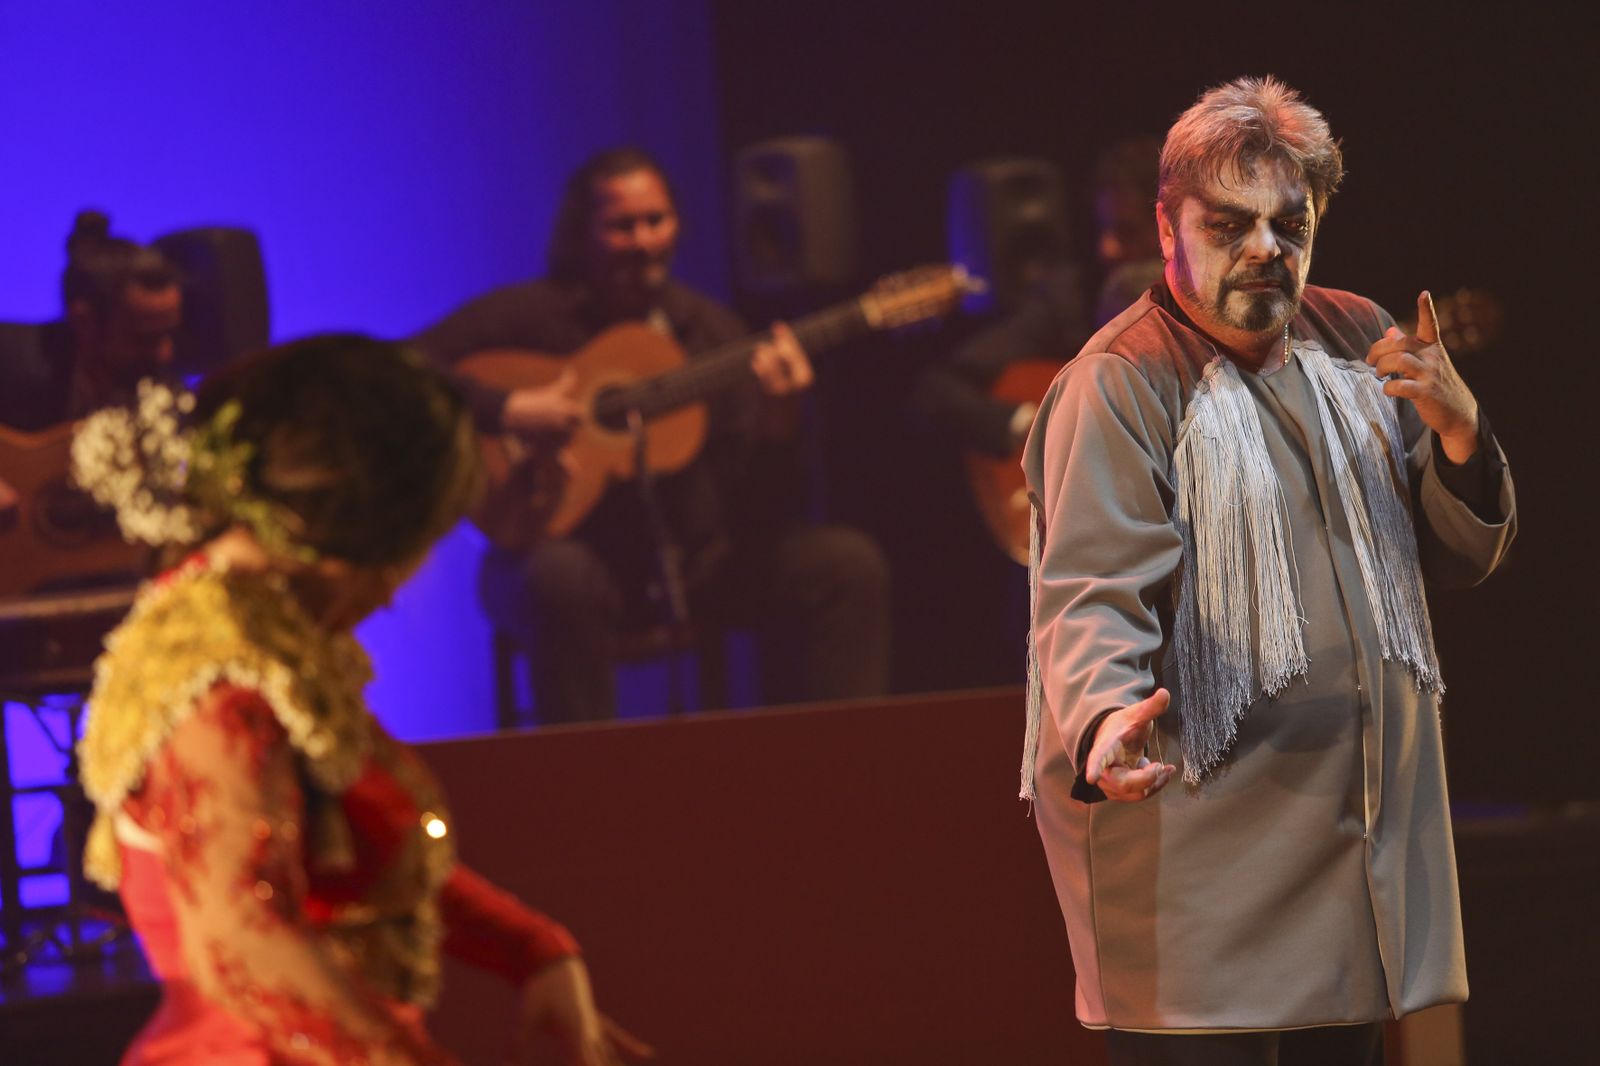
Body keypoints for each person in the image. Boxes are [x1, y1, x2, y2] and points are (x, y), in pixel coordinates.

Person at [1019, 77, 1515, 1065]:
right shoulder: (1119, 382)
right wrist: (1102, 714)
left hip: (1353, 866)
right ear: (1166, 225)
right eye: (1228, 223)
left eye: (1289, 224)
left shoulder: (1350, 335)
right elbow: (1087, 592)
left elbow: (1450, 555)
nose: (1263, 250)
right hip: (1207, 885)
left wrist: (1459, 437)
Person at [73, 335, 650, 1065]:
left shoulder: (267, 632)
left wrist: (537, 951)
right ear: (365, 542)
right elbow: (245, 946)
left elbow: (350, 855)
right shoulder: (218, 679)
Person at [413, 146, 890, 723]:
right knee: (559, 580)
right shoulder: (531, 316)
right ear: (581, 233)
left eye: (655, 221)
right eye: (621, 226)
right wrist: (508, 408)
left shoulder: (712, 335)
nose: (643, 241)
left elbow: (762, 513)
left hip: (691, 564)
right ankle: (585, 798)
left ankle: (838, 777)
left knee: (846, 565)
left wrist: (779, 428)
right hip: (555, 557)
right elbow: (400, 366)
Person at [0, 210, 183, 433]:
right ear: (84, 322)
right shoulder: (9, 363)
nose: (165, 352)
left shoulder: (165, 392)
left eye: (169, 333)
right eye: (145, 338)